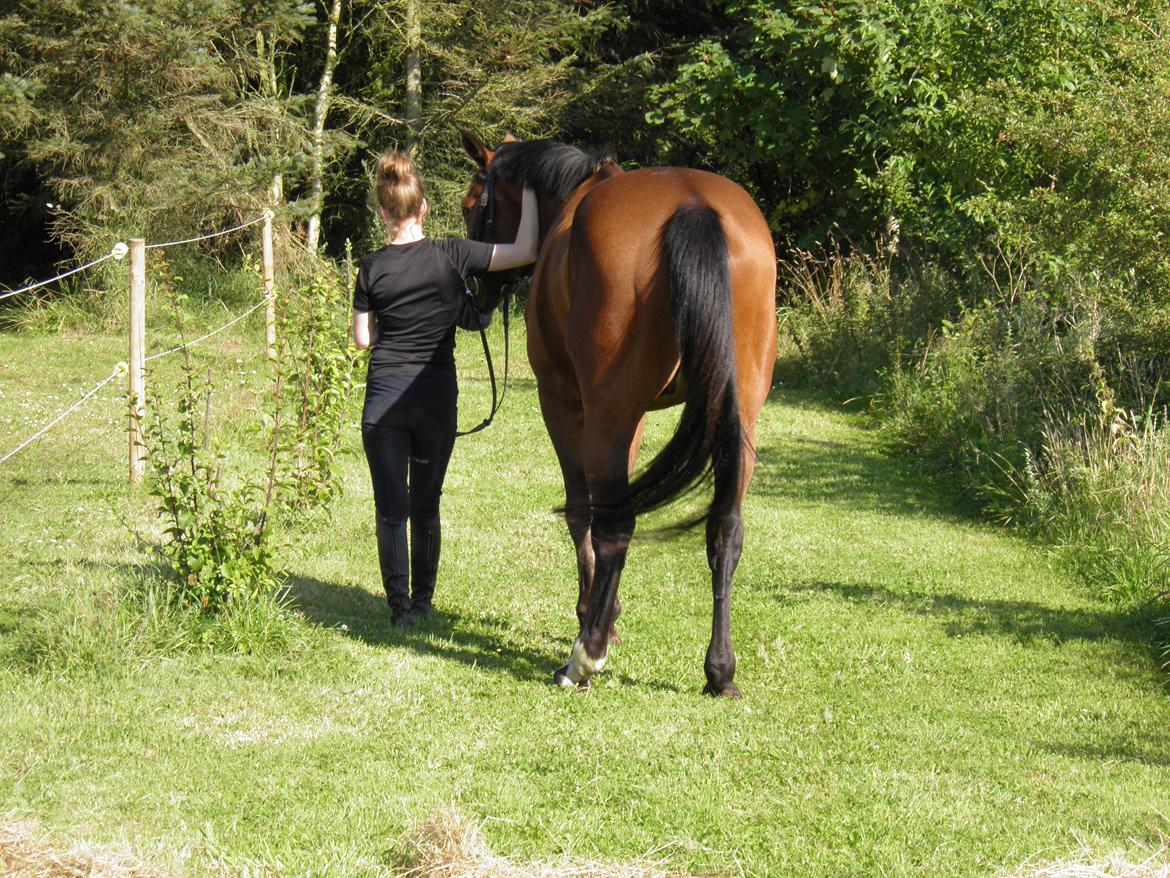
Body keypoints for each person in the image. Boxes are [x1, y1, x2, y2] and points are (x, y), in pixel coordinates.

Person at [352, 150, 538, 628]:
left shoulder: (370, 268)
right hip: (436, 401)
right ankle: (423, 602)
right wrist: (532, 189)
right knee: (426, 504)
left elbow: (363, 339)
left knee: (391, 507)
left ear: (383, 212)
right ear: (424, 208)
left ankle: (399, 612)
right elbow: (525, 250)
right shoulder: (454, 254)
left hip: (384, 403)